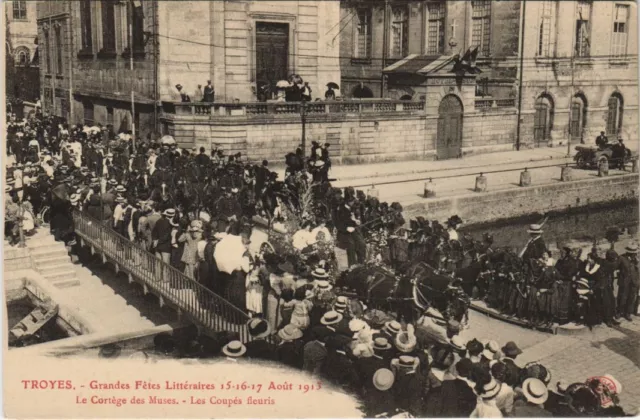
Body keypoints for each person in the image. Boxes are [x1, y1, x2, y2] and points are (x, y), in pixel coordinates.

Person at [617, 244, 639, 321]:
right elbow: (616, 268)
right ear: (629, 252)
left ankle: (628, 313)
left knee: (631, 297)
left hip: (634, 281)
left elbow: (637, 270)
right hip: (624, 281)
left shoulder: (636, 259)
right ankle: (619, 312)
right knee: (622, 297)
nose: (635, 254)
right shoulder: (621, 258)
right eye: (634, 252)